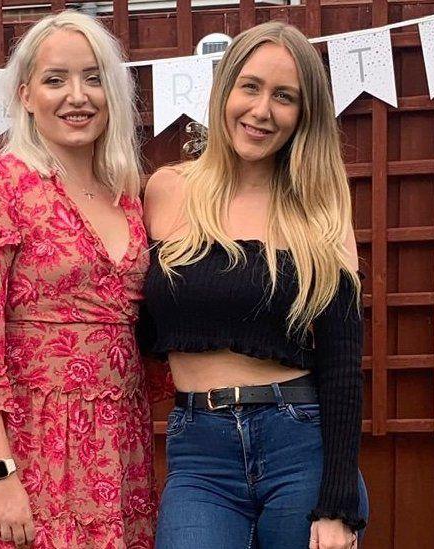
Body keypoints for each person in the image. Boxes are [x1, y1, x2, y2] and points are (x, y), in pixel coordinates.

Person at [0, 10, 156, 548]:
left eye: (93, 78)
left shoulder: (125, 193)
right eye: (57, 80)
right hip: (32, 447)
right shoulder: (1, 183)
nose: (78, 96)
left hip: (119, 447)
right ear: (27, 95)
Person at [140, 21, 369, 549]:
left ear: (302, 113)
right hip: (200, 450)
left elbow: (341, 360)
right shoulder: (168, 191)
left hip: (300, 445)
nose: (262, 110)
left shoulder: (320, 207)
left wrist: (338, 506)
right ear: (225, 91)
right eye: (250, 86)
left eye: (284, 96)